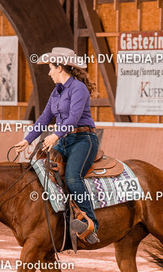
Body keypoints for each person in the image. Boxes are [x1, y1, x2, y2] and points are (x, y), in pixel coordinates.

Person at [13, 47, 100, 244]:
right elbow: (44, 118)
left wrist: (55, 135)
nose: (49, 73)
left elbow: (74, 117)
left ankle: (90, 224)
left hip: (83, 140)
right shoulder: (56, 91)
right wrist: (27, 139)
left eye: (50, 68)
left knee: (72, 177)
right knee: (39, 170)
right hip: (65, 141)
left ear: (59, 67)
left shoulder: (78, 88)